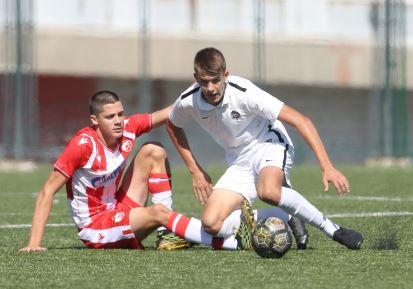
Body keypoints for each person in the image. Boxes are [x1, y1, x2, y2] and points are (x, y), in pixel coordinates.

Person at [166, 47, 363, 250]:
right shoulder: (188, 100)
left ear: (226, 74)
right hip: (239, 160)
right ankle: (286, 215)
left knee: (268, 192)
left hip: (269, 143)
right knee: (211, 223)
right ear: (196, 78)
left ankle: (332, 229)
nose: (210, 88)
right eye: (204, 81)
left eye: (215, 80)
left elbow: (301, 121)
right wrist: (195, 170)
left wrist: (327, 167)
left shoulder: (244, 92)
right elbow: (172, 125)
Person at [19, 90, 259, 252]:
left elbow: (169, 112)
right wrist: (34, 243)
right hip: (96, 227)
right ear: (95, 120)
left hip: (119, 207)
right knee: (158, 212)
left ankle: (167, 235)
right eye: (110, 116)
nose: (117, 121)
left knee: (153, 150)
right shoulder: (82, 146)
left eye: (120, 114)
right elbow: (47, 192)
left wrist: (201, 91)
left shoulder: (127, 128)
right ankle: (228, 242)